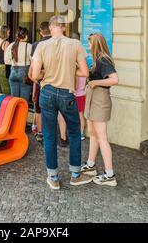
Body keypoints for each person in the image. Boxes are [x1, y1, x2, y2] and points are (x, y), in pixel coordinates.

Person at [32, 15, 91, 190]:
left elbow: (34, 75)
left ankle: (53, 177)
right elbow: (85, 72)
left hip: (47, 92)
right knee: (74, 134)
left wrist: (47, 73)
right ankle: (75, 174)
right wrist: (69, 70)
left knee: (49, 136)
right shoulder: (75, 44)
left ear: (50, 28)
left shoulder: (42, 45)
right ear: (64, 27)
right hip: (67, 94)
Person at [81, 33, 119, 186]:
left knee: (102, 137)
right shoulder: (98, 59)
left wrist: (94, 82)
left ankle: (110, 175)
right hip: (94, 98)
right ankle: (91, 165)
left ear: (95, 44)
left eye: (90, 43)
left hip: (100, 99)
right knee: (92, 134)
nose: (88, 46)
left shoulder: (103, 59)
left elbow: (114, 79)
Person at [29, 21, 52, 142]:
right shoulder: (57, 43)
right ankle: (52, 133)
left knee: (38, 109)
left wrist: (34, 88)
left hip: (39, 81)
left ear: (40, 32)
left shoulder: (36, 45)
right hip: (54, 81)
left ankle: (40, 132)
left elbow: (33, 70)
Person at [5, 26, 32, 102]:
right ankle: (22, 114)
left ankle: (14, 113)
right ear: (26, 36)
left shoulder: (11, 45)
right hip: (25, 72)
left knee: (14, 100)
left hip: (13, 71)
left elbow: (6, 61)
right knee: (23, 101)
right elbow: (33, 61)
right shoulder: (29, 46)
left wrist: (14, 62)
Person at [76, 76, 87, 140]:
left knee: (77, 116)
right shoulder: (85, 73)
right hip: (82, 95)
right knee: (81, 116)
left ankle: (79, 133)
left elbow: (76, 86)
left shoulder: (77, 74)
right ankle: (82, 133)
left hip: (77, 96)